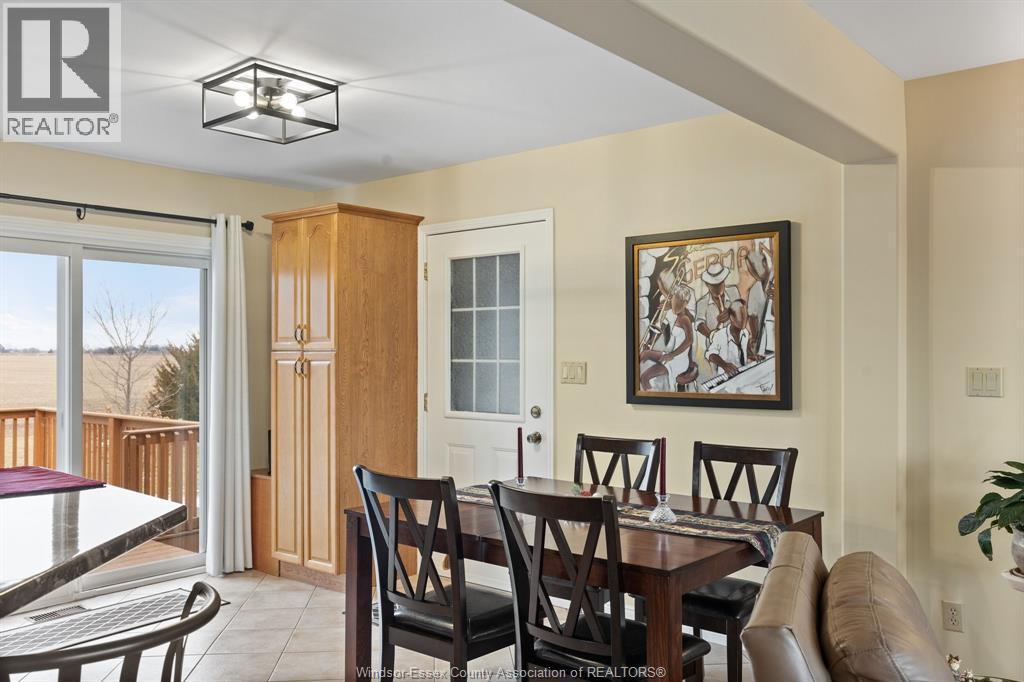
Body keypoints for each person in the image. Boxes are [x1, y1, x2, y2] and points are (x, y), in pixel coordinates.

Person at [640, 283, 698, 391]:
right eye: (673, 301)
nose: (674, 306)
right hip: (670, 356)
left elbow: (689, 341)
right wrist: (650, 341)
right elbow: (661, 327)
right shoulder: (672, 314)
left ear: (685, 303)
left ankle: (652, 399)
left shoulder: (685, 319)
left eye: (678, 303)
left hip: (678, 361)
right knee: (644, 354)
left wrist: (671, 355)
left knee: (644, 377)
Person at [706, 299, 763, 377]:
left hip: (743, 375)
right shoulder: (720, 335)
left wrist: (754, 356)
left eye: (745, 315)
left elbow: (745, 351)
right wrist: (724, 365)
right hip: (727, 377)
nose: (744, 319)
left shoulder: (745, 332)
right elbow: (710, 354)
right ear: (732, 317)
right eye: (741, 316)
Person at [694, 262, 740, 341]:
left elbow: (741, 311)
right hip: (715, 346)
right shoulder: (702, 302)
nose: (717, 288)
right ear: (707, 284)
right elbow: (699, 324)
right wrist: (713, 337)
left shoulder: (733, 291)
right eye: (713, 285)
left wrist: (731, 313)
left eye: (720, 284)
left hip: (735, 342)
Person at [745, 248, 774, 353]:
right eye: (750, 269)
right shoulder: (754, 289)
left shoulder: (776, 278)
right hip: (762, 338)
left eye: (754, 267)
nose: (753, 272)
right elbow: (752, 316)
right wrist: (754, 336)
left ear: (765, 263)